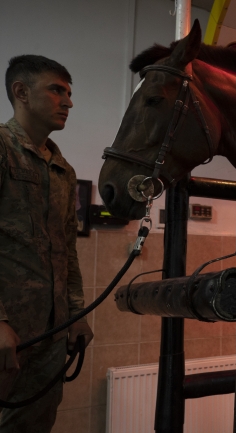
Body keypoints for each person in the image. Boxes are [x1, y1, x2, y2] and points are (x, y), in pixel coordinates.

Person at [0, 55, 93, 432]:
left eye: (69, 93)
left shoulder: (62, 168)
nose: (68, 102)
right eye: (57, 90)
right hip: (7, 333)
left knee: (33, 424)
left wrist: (76, 315)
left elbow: (66, 249)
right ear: (20, 92)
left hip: (51, 334)